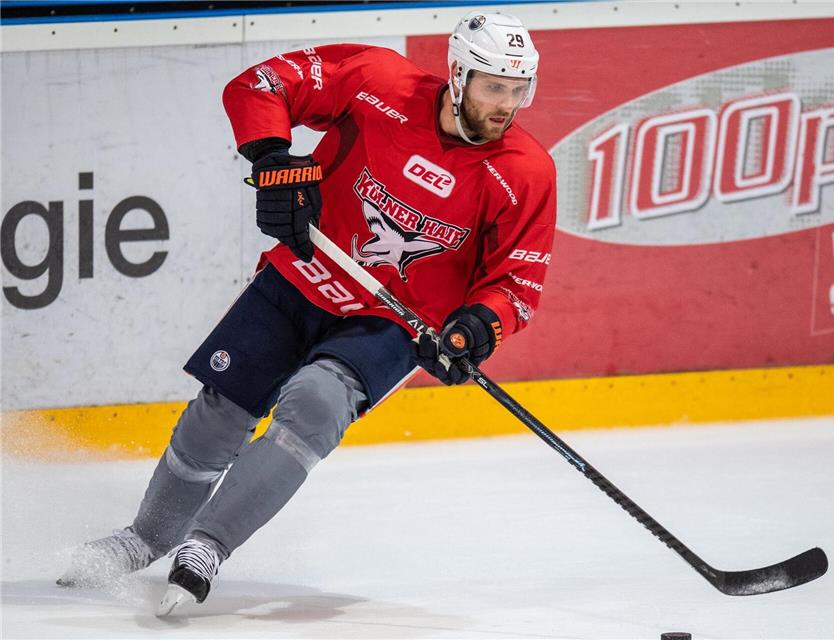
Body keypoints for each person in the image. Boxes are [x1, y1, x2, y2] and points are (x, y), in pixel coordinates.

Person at [58, 10, 556, 616]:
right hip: (305, 273)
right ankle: (146, 537)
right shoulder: (377, 80)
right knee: (220, 413)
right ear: (458, 74)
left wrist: (477, 324)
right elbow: (262, 84)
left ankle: (207, 545)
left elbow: (516, 284)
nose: (507, 105)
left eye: (518, 90)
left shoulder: (525, 171)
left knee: (316, 404)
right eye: (494, 87)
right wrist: (272, 158)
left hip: (395, 320)